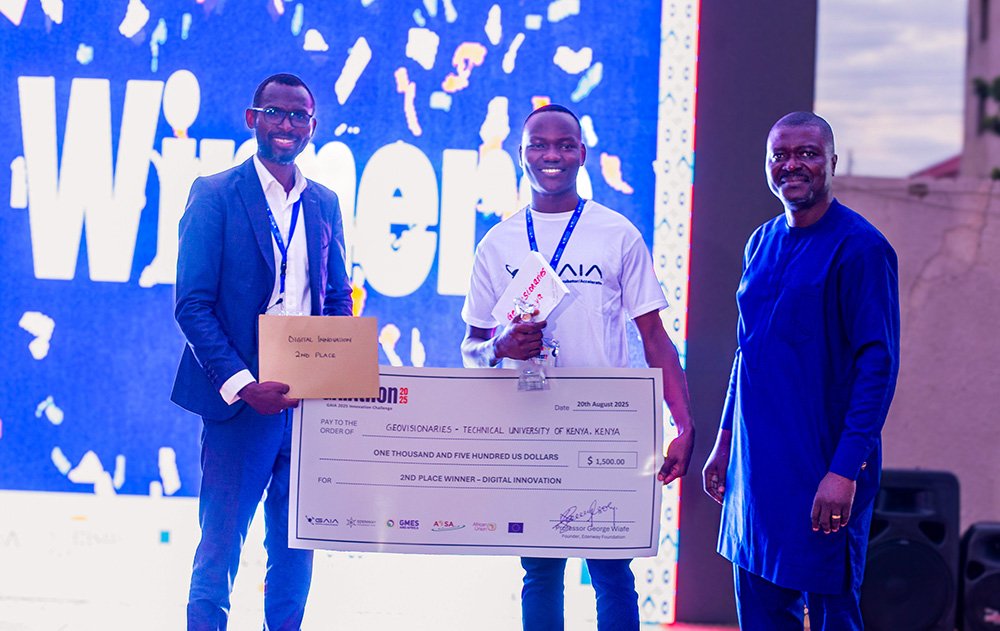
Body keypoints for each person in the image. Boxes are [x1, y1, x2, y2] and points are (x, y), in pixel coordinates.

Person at [461, 104, 696, 631]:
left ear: (582, 154)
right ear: (521, 155)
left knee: (613, 572)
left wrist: (683, 424)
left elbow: (654, 337)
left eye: (564, 144)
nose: (552, 154)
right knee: (540, 573)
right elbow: (471, 351)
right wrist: (500, 346)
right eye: (539, 145)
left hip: (605, 429)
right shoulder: (495, 243)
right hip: (530, 428)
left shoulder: (616, 233)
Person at [702, 112, 900, 630]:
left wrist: (843, 472)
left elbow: (877, 368)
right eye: (780, 154)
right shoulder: (760, 243)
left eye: (808, 153)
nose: (793, 164)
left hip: (821, 473)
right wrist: (725, 440)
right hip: (756, 476)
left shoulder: (861, 249)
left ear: (831, 163)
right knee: (761, 615)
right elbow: (747, 352)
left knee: (834, 613)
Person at [171, 73, 352, 631]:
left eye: (299, 116)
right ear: (252, 118)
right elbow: (192, 305)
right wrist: (242, 384)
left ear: (313, 127)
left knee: (296, 549)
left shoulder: (324, 203)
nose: (287, 125)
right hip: (240, 406)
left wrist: (333, 367)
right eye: (275, 113)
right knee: (220, 551)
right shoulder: (215, 193)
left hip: (305, 408)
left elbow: (337, 295)